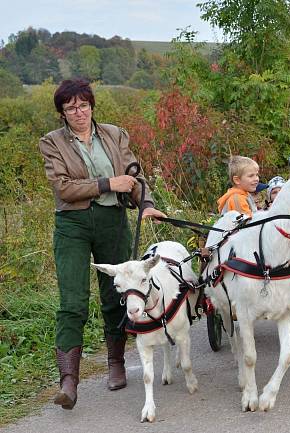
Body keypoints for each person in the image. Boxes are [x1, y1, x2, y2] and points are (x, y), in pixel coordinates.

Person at [38, 79, 166, 409]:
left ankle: (116, 364)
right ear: (62, 114)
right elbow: (64, 189)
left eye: (83, 105)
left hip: (112, 222)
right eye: (70, 108)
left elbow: (133, 176)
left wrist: (146, 203)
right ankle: (68, 382)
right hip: (73, 225)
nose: (78, 112)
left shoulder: (114, 134)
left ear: (92, 106)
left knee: (116, 294)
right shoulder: (51, 142)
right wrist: (108, 183)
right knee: (73, 301)